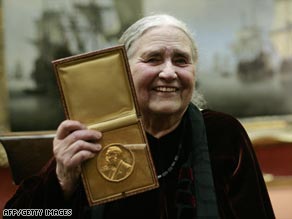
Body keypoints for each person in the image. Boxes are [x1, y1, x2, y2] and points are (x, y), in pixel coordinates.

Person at [4, 14, 275, 219]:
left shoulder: (224, 133)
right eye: (153, 59)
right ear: (122, 69)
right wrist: (61, 181)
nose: (169, 72)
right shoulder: (90, 135)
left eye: (181, 60)